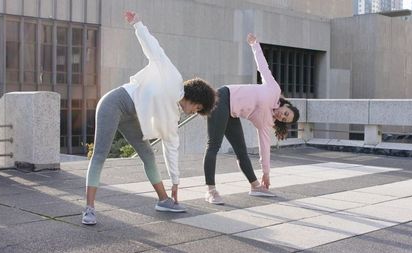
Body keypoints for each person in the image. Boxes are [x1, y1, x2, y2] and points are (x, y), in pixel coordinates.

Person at [82, 10, 217, 225]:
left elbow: (171, 145)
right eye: (197, 108)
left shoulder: (173, 114)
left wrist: (175, 181)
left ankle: (164, 200)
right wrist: (138, 25)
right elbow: (156, 52)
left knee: (147, 153)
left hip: (130, 116)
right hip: (115, 103)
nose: (193, 112)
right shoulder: (173, 78)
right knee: (100, 154)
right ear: (195, 98)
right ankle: (89, 209)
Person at [203, 33, 300, 205]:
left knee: (242, 151)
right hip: (222, 97)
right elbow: (264, 68)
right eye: (286, 113)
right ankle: (211, 190)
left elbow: (264, 145)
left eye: (284, 120)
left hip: (232, 112)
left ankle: (255, 186)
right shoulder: (274, 90)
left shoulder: (266, 122)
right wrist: (255, 46)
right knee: (213, 146)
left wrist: (266, 172)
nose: (282, 116)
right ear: (287, 105)